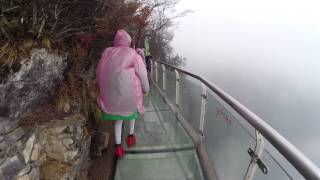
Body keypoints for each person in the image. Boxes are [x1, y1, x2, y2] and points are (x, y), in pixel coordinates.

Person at [96, 29, 150, 158]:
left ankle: (118, 146)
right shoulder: (133, 54)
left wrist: (101, 87)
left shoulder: (107, 54)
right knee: (131, 114)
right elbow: (142, 74)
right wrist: (146, 89)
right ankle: (131, 137)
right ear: (129, 41)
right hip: (130, 93)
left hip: (111, 95)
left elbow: (99, 72)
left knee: (118, 120)